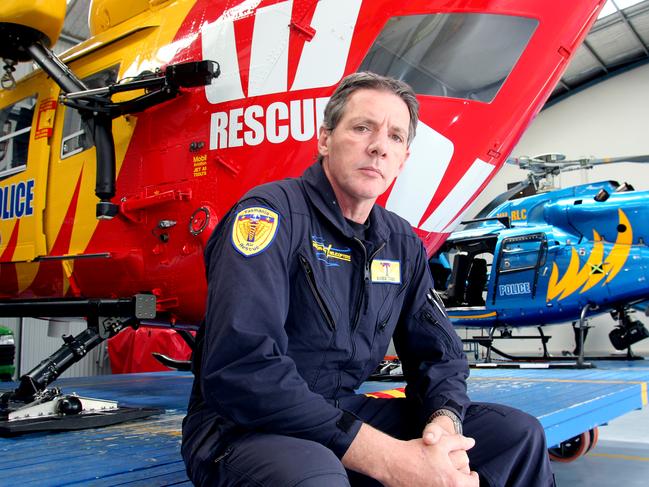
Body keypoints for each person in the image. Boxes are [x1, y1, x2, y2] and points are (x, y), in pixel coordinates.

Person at [182, 72, 554, 487]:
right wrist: (389, 458)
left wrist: (443, 426)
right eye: (363, 128)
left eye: (396, 137)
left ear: (403, 159)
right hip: (240, 425)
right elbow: (242, 367)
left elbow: (441, 355)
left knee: (515, 435)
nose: (379, 147)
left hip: (339, 412)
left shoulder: (400, 243)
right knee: (315, 477)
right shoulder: (270, 216)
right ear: (324, 139)